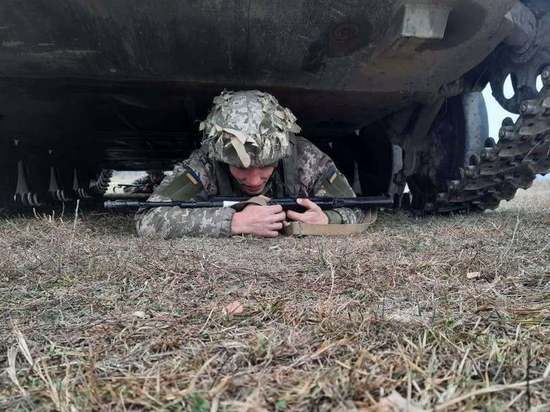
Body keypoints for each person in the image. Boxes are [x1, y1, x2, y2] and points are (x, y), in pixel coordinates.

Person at [136, 90, 366, 238]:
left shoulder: (305, 157)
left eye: (266, 166)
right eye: (241, 168)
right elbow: (149, 218)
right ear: (222, 159)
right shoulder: (207, 162)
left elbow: (355, 207)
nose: (254, 181)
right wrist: (234, 222)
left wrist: (327, 219)